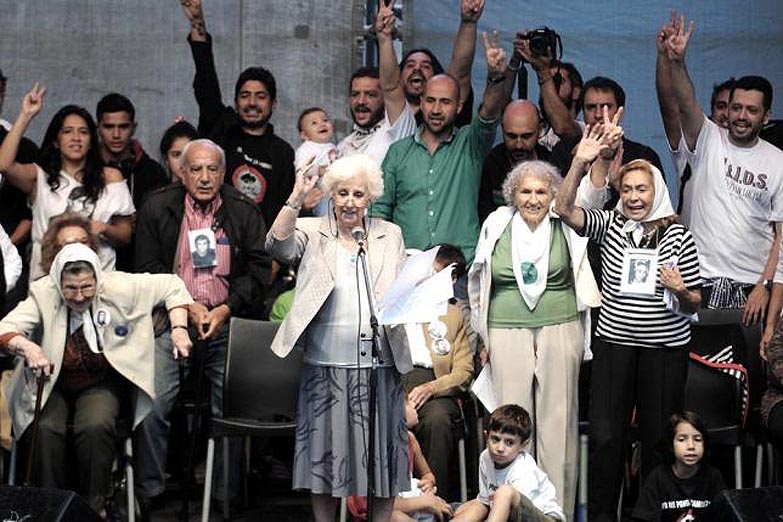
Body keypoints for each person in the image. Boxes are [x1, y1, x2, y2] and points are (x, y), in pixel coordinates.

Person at [555, 122, 702, 522]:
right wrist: (580, 164)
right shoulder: (611, 224)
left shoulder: (679, 235)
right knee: (605, 438)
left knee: (658, 440)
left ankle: (648, 516)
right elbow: (564, 210)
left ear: (656, 192)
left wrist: (681, 289)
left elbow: (695, 303)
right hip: (614, 346)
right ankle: (602, 517)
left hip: (664, 350)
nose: (634, 197)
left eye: (642, 189)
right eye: (628, 189)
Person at [266, 153, 412, 522]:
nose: (349, 201)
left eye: (358, 194)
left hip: (380, 365)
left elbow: (399, 292)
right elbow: (276, 246)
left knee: (384, 463)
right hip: (326, 365)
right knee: (324, 461)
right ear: (331, 195)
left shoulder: (388, 234)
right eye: (342, 193)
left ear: (370, 198)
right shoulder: (313, 231)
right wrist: (296, 197)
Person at [0, 242, 193, 517]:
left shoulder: (119, 285)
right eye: (71, 288)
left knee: (95, 425)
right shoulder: (43, 292)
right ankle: (50, 508)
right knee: (44, 428)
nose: (79, 296)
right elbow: (5, 328)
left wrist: (179, 329)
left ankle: (93, 509)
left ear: (97, 280)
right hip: (52, 380)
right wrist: (28, 347)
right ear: (58, 282)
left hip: (99, 380)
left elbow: (173, 285)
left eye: (87, 287)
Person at [133, 138, 271, 506]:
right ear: (181, 172)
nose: (205, 177)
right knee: (152, 403)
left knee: (231, 405)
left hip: (227, 323)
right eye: (196, 169)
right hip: (173, 320)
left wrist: (226, 307)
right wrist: (186, 305)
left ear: (224, 173)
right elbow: (146, 270)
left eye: (213, 169)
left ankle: (224, 496)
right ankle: (149, 492)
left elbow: (260, 272)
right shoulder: (156, 206)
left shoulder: (243, 210)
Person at [469, 159, 600, 518]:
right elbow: (480, 282)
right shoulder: (497, 223)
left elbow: (597, 194)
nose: (533, 198)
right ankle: (510, 513)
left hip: (561, 327)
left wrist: (590, 160)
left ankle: (553, 516)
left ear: (553, 194)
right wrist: (482, 337)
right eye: (525, 191)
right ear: (512, 194)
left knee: (558, 427)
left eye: (541, 191)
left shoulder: (566, 221)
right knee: (509, 426)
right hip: (505, 328)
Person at [662, 13, 783, 354]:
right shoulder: (709, 139)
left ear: (766, 116)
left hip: (751, 291)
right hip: (697, 283)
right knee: (697, 384)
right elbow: (684, 101)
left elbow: (781, 239)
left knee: (745, 386)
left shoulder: (778, 162)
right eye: (735, 108)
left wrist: (765, 286)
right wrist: (677, 62)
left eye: (751, 110)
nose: (741, 116)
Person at [374, 31, 511, 264]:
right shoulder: (398, 152)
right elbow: (380, 210)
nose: (436, 109)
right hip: (406, 268)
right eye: (430, 100)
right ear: (421, 101)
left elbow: (488, 113)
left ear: (458, 107)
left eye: (445, 102)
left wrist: (495, 78)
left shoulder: (470, 144)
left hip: (460, 268)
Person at [0, 83, 135, 281]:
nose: (76, 138)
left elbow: (125, 236)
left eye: (83, 132)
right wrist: (26, 114)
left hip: (100, 281)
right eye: (67, 131)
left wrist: (104, 228)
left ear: (91, 141)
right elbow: (4, 165)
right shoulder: (39, 177)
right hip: (47, 283)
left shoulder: (110, 177)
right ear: (55, 141)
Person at [179, 0, 295, 226]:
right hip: (211, 238)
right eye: (245, 95)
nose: (252, 102)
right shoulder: (220, 128)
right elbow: (206, 83)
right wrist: (197, 23)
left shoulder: (282, 152)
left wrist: (275, 257)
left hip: (258, 252)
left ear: (274, 104)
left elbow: (284, 210)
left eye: (260, 96)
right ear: (235, 101)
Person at [403, 255, 474, 501]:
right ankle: (392, 507)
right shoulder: (394, 307)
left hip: (435, 384)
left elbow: (464, 372)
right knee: (383, 418)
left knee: (437, 419)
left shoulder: (452, 314)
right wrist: (400, 401)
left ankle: (435, 504)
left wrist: (432, 387)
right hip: (395, 382)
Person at [452, 404, 565, 522]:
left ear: (523, 445)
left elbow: (516, 513)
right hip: (506, 513)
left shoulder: (523, 468)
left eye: (509, 443)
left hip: (545, 517)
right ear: (486, 436)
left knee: (504, 493)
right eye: (495, 439)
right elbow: (485, 502)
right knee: (469, 508)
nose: (500, 448)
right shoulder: (485, 458)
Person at [348, 397, 453, 522]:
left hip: (417, 507)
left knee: (475, 506)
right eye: (408, 402)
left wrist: (428, 483)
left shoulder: (410, 440)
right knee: (396, 518)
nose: (414, 404)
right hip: (381, 514)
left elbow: (427, 474)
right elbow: (376, 505)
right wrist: (424, 502)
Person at [632, 412, 727, 521]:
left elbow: (726, 516)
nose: (691, 446)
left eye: (697, 439)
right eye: (682, 439)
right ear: (671, 445)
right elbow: (645, 517)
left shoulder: (713, 477)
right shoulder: (658, 478)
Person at [478, 100, 553, 223]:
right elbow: (485, 216)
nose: (518, 145)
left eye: (526, 136)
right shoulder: (492, 164)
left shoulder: (551, 162)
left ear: (539, 131)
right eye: (511, 136)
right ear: (502, 130)